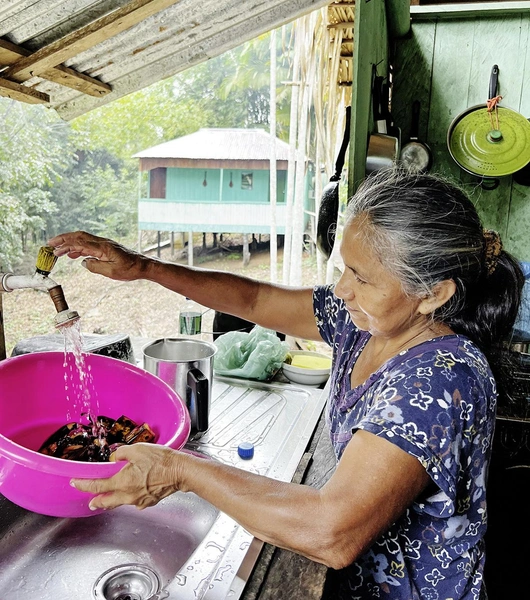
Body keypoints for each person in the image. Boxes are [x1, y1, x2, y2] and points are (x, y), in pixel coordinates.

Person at [48, 170, 523, 600]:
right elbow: (255, 297)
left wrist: (182, 470)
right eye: (343, 268)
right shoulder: (367, 323)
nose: (341, 289)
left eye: (361, 277)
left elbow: (331, 532)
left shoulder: (441, 379)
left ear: (434, 294)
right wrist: (145, 268)